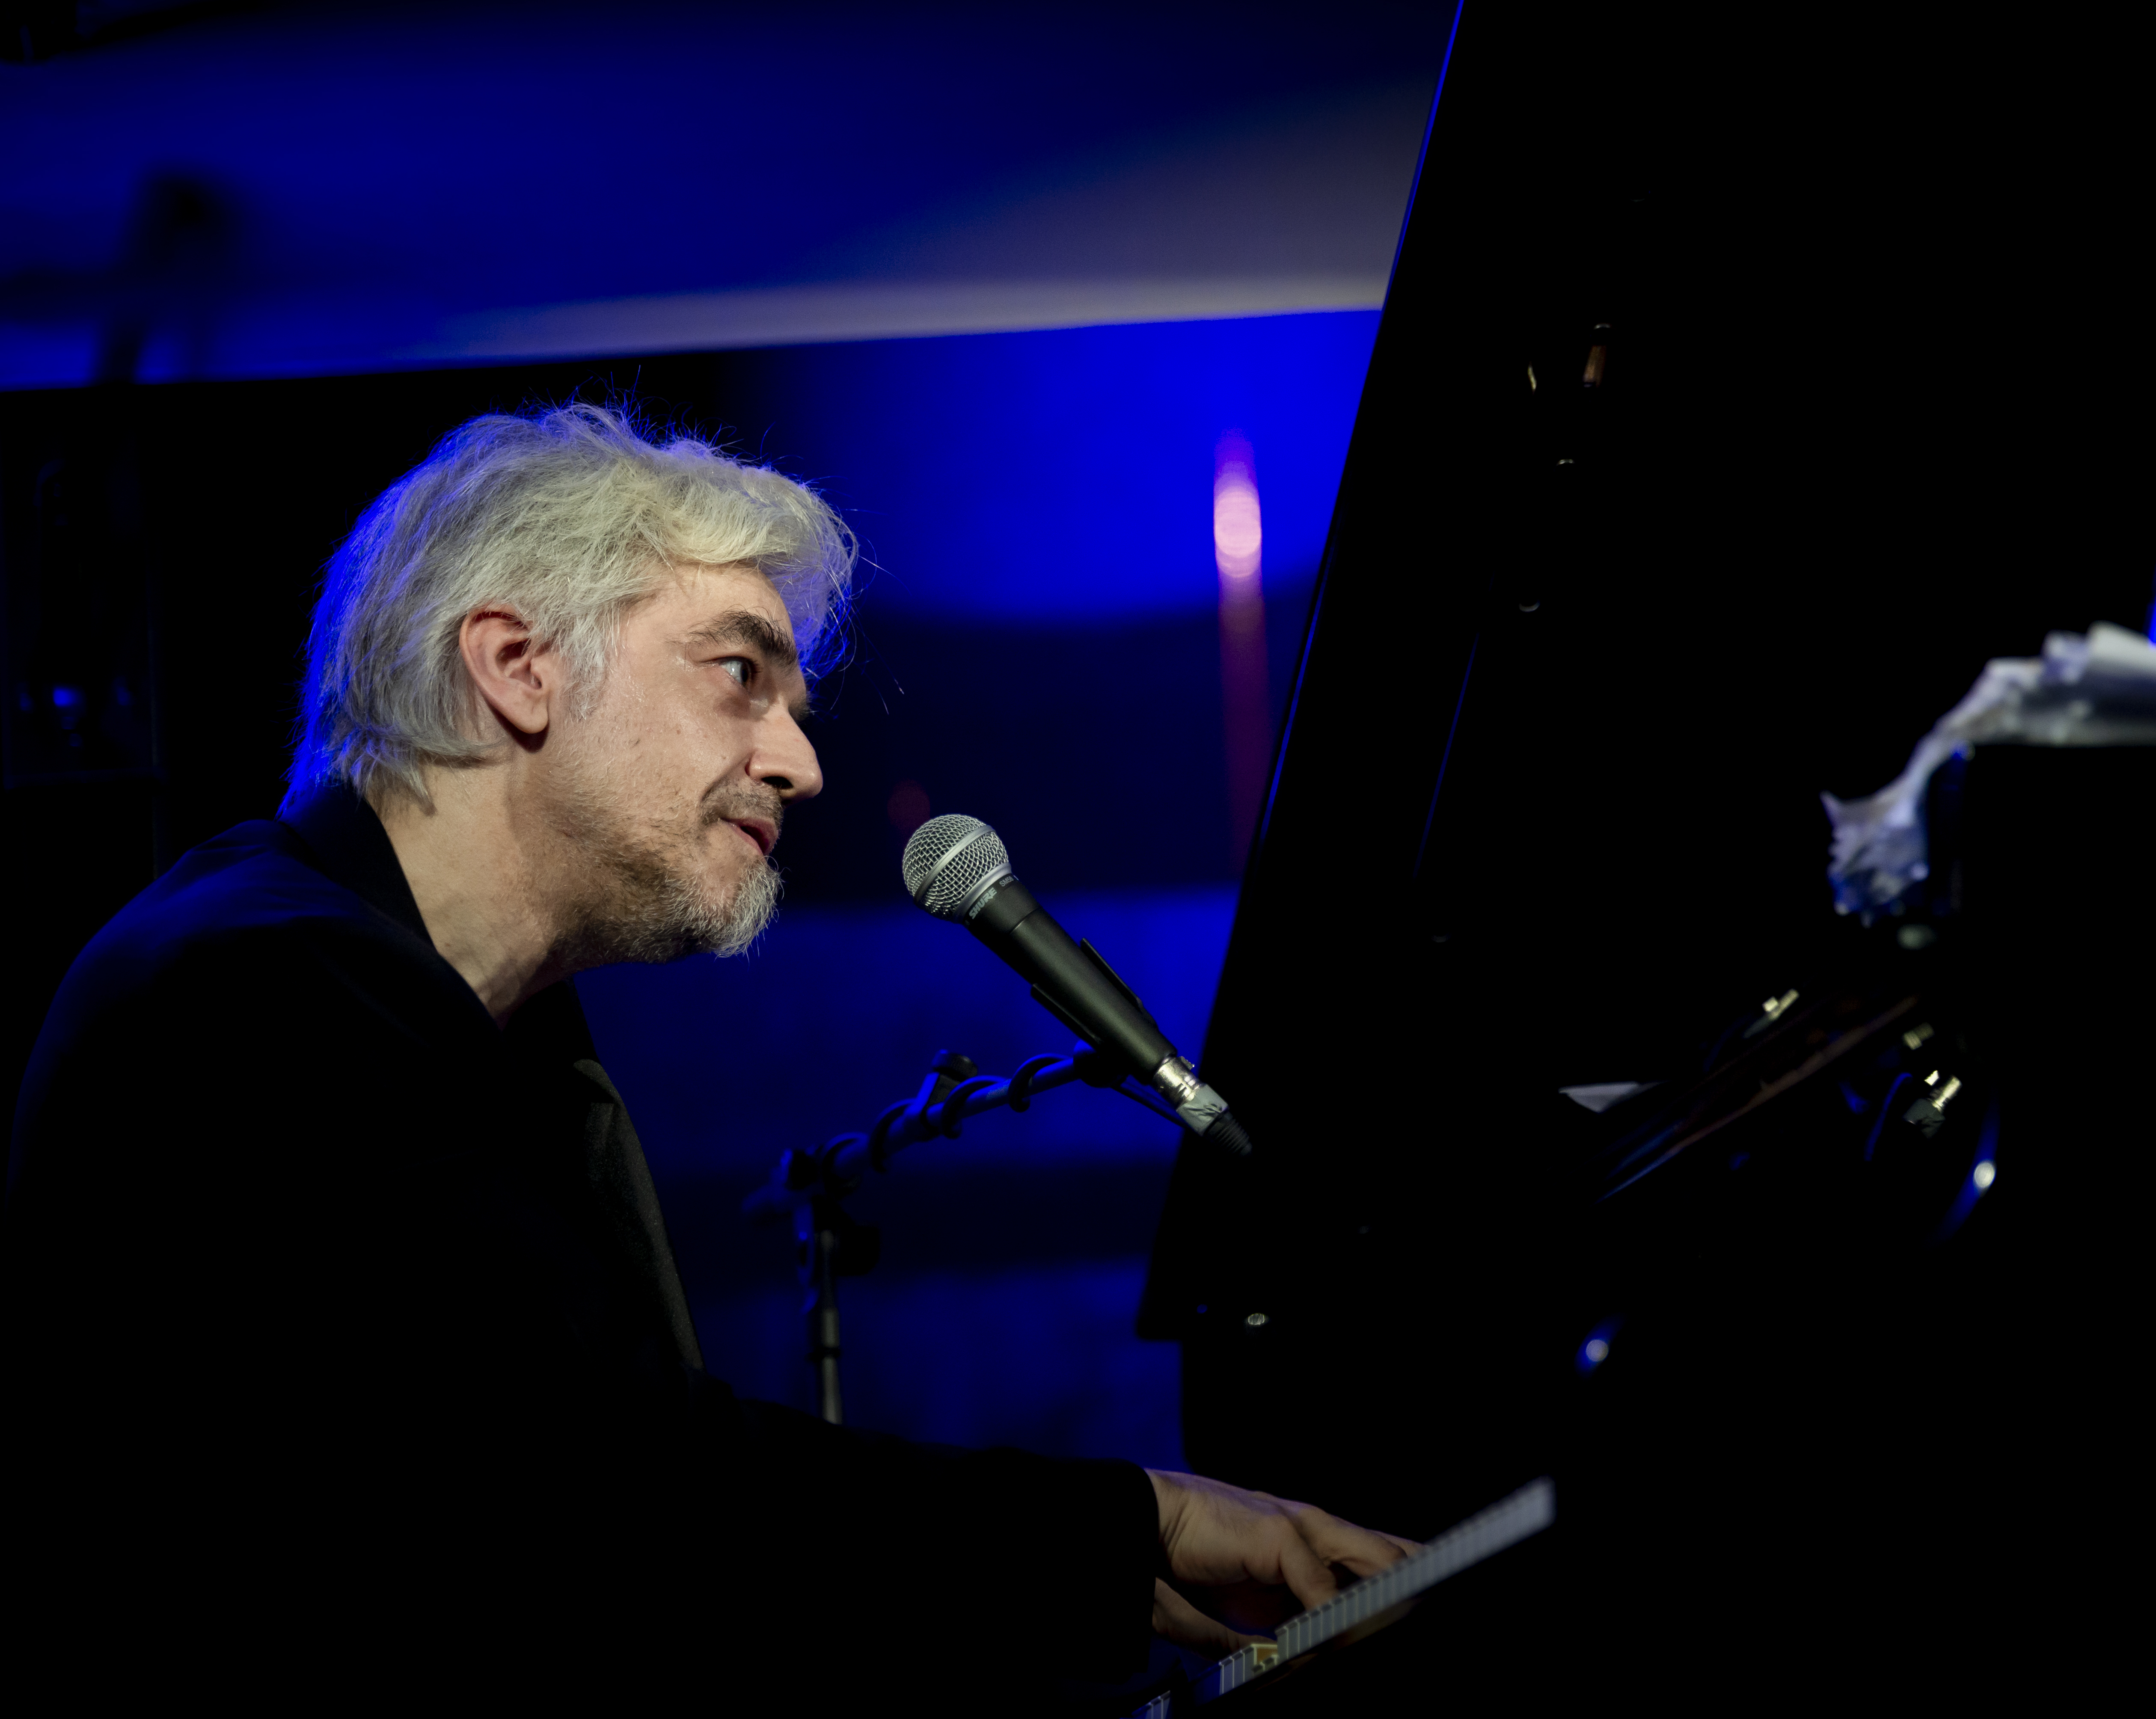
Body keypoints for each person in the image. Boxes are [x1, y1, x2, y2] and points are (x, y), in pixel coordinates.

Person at [3, 404, 1409, 1694]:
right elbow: (625, 1503)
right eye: (742, 673)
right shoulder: (258, 992)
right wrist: (1134, 1522)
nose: (801, 763)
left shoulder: (431, 1008)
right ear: (517, 668)